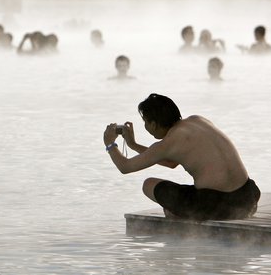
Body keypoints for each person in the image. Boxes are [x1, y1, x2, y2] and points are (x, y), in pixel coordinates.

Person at [102, 93, 260, 221]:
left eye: (145, 122)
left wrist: (109, 144)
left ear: (154, 124)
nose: (145, 127)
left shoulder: (169, 142)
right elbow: (171, 162)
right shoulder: (198, 120)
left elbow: (125, 167)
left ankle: (181, 216)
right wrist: (133, 145)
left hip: (217, 206)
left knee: (148, 184)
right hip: (249, 197)